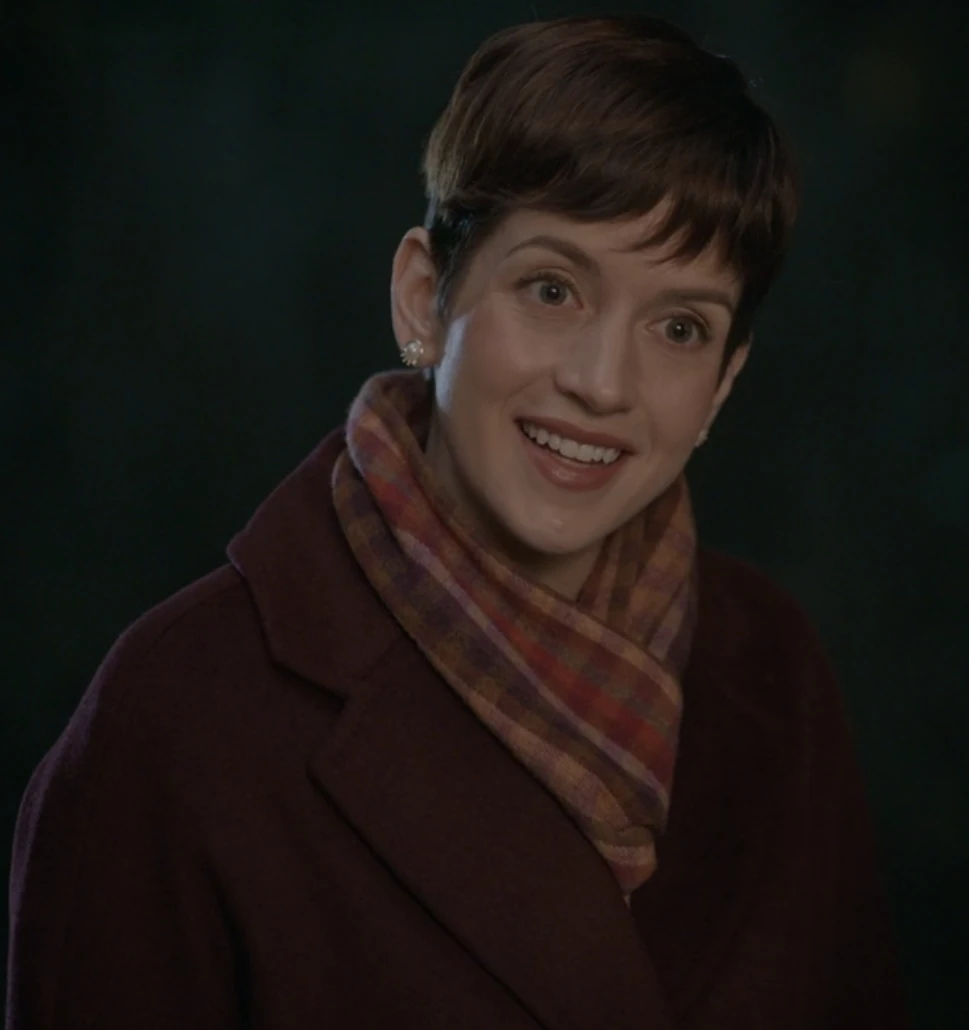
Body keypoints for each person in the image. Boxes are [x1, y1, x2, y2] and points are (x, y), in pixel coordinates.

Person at [6, 14, 908, 1029]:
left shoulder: (775, 671)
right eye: (552, 289)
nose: (602, 382)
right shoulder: (178, 716)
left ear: (722, 384)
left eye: (679, 327)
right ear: (424, 300)